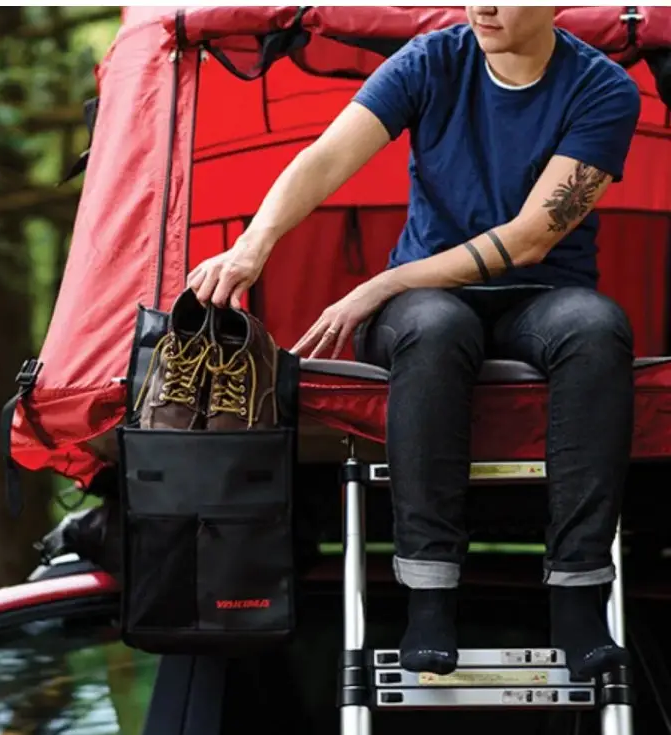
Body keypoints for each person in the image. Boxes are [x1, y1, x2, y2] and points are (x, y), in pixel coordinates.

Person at [187, 6, 641, 679]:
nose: (483, 7)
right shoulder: (432, 60)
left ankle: (579, 597)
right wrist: (253, 245)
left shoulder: (603, 88)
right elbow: (325, 158)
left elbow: (530, 238)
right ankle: (429, 599)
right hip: (432, 308)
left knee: (597, 327)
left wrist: (381, 284)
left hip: (540, 296)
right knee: (435, 326)